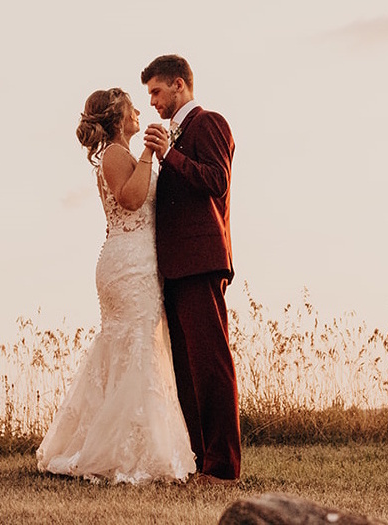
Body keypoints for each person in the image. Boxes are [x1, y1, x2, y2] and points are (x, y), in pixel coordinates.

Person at [35, 88, 195, 484]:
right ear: (118, 118)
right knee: (135, 344)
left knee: (134, 345)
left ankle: (131, 441)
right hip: (128, 264)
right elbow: (131, 199)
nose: (140, 111)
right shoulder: (115, 154)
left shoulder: (117, 154)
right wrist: (148, 154)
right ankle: (125, 450)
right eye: (131, 108)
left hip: (134, 260)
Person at [141, 54, 240, 485]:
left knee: (210, 364)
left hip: (202, 263)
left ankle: (224, 467)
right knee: (186, 370)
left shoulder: (210, 123)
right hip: (175, 268)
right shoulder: (173, 137)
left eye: (156, 92)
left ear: (179, 85)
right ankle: (199, 462)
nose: (153, 103)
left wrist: (170, 156)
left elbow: (216, 180)